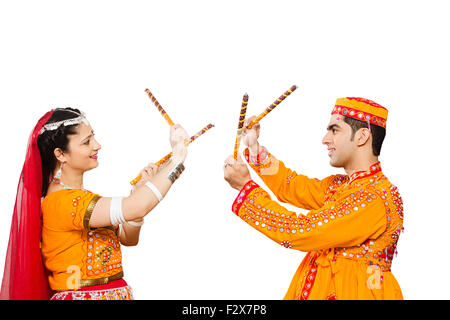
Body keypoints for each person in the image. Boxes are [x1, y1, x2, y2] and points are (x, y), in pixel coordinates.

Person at [224, 97, 404, 300]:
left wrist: (247, 190)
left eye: (334, 130)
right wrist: (255, 149)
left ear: (362, 136)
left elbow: (301, 231)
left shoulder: (374, 198)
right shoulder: (343, 186)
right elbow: (291, 186)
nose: (325, 139)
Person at [1, 107, 189, 300]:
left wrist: (139, 191)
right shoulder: (64, 202)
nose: (97, 145)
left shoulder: (82, 198)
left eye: (93, 137)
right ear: (60, 154)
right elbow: (136, 207)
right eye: (86, 142)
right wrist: (177, 159)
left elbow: (128, 238)